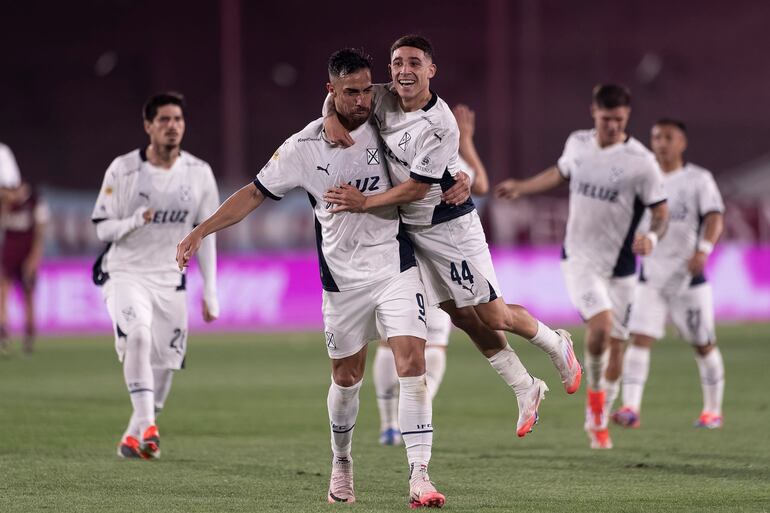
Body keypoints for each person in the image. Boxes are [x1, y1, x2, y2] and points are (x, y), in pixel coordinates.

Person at [176, 49, 445, 509]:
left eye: (366, 89)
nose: (362, 100)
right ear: (331, 91)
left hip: (395, 265)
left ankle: (420, 475)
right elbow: (253, 193)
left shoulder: (387, 114)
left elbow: (431, 122)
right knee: (347, 378)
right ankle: (341, 461)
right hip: (341, 280)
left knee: (412, 365)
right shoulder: (303, 147)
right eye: (350, 93)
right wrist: (201, 231)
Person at [324, 35, 582, 441]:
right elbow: (341, 96)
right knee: (461, 317)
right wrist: (329, 118)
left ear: (431, 70)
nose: (404, 70)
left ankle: (556, 345)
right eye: (396, 63)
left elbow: (413, 189)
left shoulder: (439, 123)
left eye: (413, 62)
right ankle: (524, 386)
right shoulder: (380, 97)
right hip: (411, 231)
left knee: (492, 316)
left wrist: (364, 202)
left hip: (449, 228)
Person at [495, 84, 669, 449]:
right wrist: (523, 188)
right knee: (602, 326)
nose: (612, 126)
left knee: (617, 345)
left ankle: (598, 410)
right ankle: (585, 382)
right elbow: (560, 173)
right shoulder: (578, 143)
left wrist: (651, 237)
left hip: (621, 265)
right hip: (579, 258)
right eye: (606, 119)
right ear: (594, 113)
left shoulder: (642, 162)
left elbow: (660, 213)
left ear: (627, 117)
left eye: (619, 120)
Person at [91, 92, 220, 459]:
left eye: (177, 119)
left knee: (166, 363)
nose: (172, 126)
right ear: (148, 126)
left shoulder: (198, 173)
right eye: (163, 120)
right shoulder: (123, 170)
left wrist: (210, 289)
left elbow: (206, 232)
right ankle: (148, 426)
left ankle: (135, 434)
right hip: (126, 272)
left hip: (171, 279)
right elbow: (101, 228)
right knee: (139, 337)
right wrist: (134, 220)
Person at [373, 102, 490, 446]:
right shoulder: (441, 148)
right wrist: (467, 142)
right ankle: (401, 418)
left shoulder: (414, 148)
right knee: (432, 343)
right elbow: (481, 184)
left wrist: (464, 141)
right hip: (432, 255)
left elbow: (478, 185)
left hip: (406, 253)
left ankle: (392, 423)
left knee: (392, 339)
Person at [612, 118, 725, 430]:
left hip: (688, 279)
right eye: (656, 137)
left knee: (703, 343)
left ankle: (712, 411)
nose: (661, 143)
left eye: (668, 137)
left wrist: (703, 249)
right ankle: (631, 408)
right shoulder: (642, 179)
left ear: (682, 143)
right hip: (650, 278)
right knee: (640, 339)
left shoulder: (698, 180)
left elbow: (715, 217)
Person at [0, 183, 48, 354]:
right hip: (8, 256)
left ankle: (29, 336)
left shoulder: (35, 202)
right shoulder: (5, 202)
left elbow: (40, 233)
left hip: (26, 258)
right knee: (3, 293)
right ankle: (4, 333)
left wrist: (34, 258)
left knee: (28, 297)